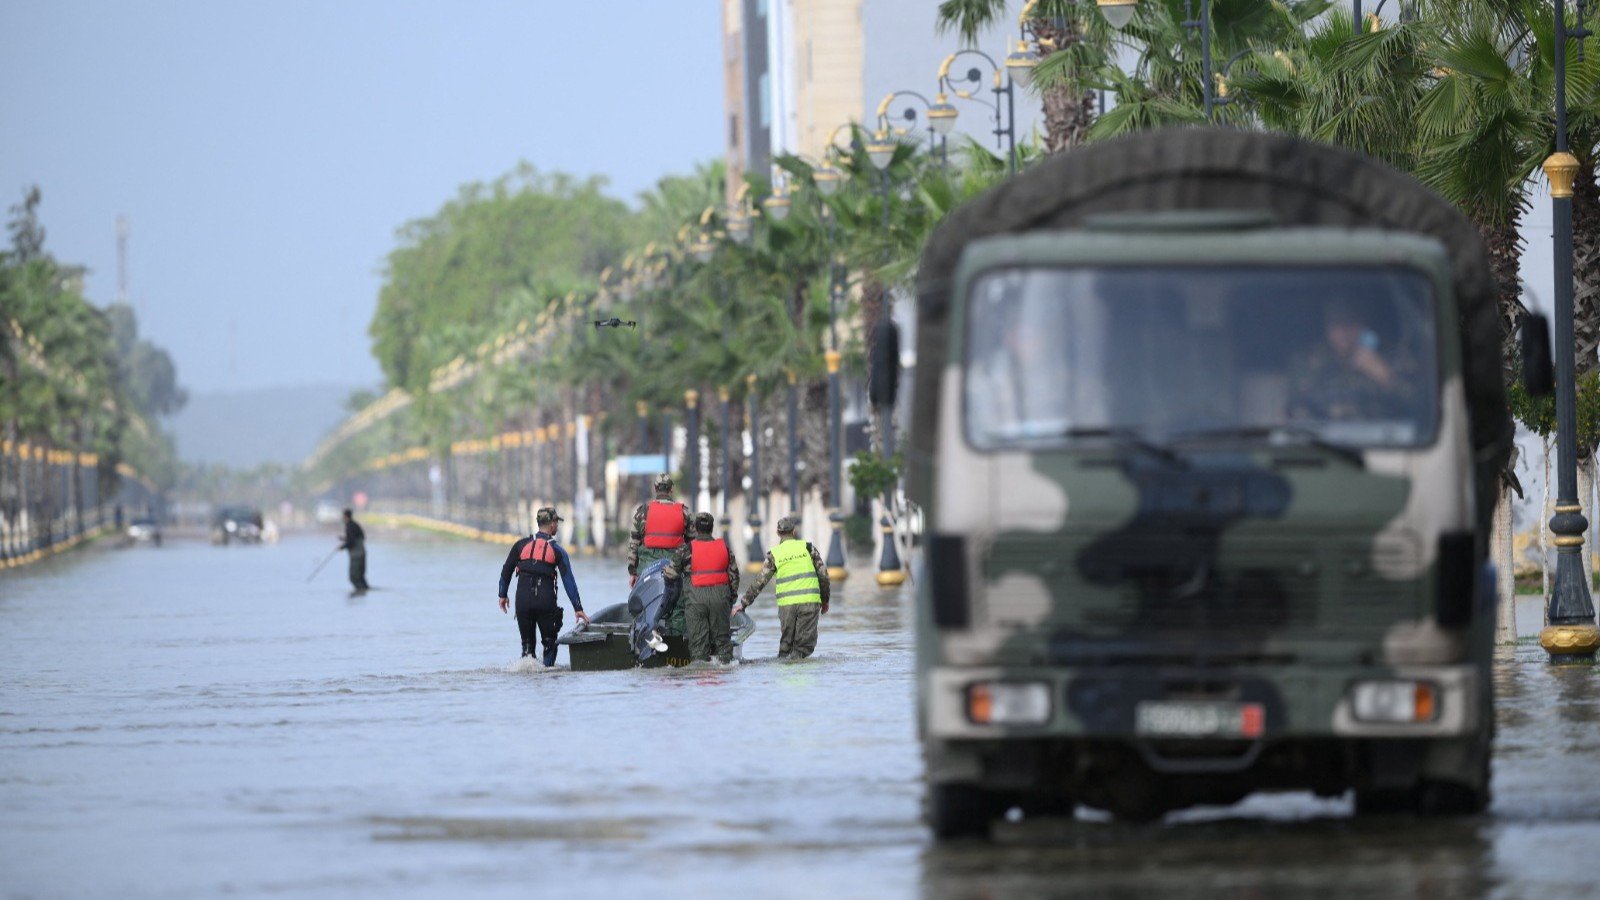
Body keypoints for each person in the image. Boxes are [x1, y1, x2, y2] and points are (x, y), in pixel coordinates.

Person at [1288, 299, 1419, 422]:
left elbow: (1420, 406)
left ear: (1364, 326)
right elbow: (1294, 412)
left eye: (1350, 324)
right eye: (1336, 325)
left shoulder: (1395, 358)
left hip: (1382, 441)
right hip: (1324, 441)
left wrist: (1384, 376)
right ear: (1327, 328)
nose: (1343, 332)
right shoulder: (1308, 363)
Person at [499, 507, 589, 666]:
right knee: (549, 644)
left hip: (523, 601)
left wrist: (502, 595)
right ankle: (547, 677)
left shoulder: (520, 545)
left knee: (527, 648)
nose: (558, 526)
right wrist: (578, 608)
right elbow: (569, 581)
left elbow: (506, 570)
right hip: (544, 601)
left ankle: (527, 680)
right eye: (557, 523)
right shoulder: (558, 551)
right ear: (552, 524)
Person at [735, 515, 830, 660]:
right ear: (794, 531)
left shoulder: (774, 554)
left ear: (778, 533)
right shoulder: (808, 548)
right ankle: (800, 677)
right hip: (809, 603)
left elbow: (760, 582)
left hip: (787, 606)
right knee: (803, 647)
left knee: (786, 646)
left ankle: (784, 676)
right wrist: (825, 600)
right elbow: (823, 576)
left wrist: (743, 604)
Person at [661, 512, 741, 664]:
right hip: (720, 598)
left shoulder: (686, 549)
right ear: (711, 529)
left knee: (698, 646)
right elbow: (734, 576)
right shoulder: (724, 548)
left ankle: (701, 677)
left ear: (696, 529)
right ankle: (725, 674)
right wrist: (730, 600)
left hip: (696, 599)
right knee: (723, 643)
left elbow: (670, 575)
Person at [626, 473, 692, 631]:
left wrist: (633, 572)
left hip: (647, 569)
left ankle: (642, 637)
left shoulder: (643, 512)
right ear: (671, 489)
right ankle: (675, 641)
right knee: (677, 607)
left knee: (644, 605)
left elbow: (634, 543)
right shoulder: (684, 512)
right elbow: (692, 545)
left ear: (655, 489)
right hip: (674, 569)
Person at [339, 509, 369, 595]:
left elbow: (351, 542)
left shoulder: (349, 526)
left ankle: (360, 594)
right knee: (360, 577)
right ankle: (365, 593)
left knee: (354, 577)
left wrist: (342, 546)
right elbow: (359, 537)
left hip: (356, 556)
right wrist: (345, 539)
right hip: (362, 554)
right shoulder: (355, 525)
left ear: (345, 516)